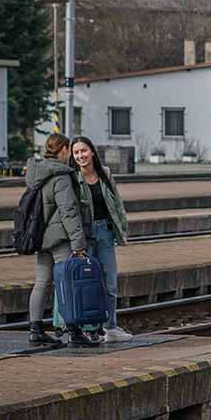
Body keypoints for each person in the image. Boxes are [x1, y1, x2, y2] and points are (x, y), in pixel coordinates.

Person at [24, 133, 97, 348]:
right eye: (69, 150)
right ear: (63, 150)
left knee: (41, 283)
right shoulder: (60, 175)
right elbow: (69, 212)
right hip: (60, 239)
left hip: (41, 237)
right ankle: (74, 332)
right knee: (68, 284)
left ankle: (35, 331)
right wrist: (78, 244)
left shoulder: (37, 173)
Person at [71, 136, 131, 343]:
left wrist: (122, 228)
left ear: (92, 152)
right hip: (85, 236)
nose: (81, 155)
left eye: (84, 150)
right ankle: (90, 329)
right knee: (88, 282)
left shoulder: (105, 173)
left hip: (105, 232)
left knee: (110, 282)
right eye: (76, 152)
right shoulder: (73, 178)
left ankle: (110, 327)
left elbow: (117, 202)